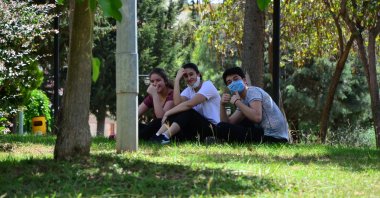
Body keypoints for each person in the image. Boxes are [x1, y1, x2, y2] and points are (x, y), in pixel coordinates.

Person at [217, 67, 289, 143]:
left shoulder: (252, 91)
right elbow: (228, 123)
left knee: (222, 127)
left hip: (274, 137)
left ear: (244, 80)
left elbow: (257, 117)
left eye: (236, 79)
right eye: (229, 82)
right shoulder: (243, 100)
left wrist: (237, 102)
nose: (233, 83)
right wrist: (222, 105)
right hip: (267, 136)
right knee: (222, 126)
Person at [154, 63, 221, 144]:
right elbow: (177, 103)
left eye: (191, 74)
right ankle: (157, 135)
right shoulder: (189, 89)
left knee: (187, 110)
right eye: (186, 76)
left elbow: (189, 104)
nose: (189, 78)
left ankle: (165, 136)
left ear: (198, 74)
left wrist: (167, 113)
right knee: (179, 110)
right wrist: (177, 80)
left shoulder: (208, 85)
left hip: (213, 128)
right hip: (197, 126)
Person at [138, 68, 174, 140]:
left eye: (158, 80)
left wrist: (154, 94)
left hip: (167, 127)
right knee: (136, 126)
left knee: (156, 123)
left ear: (165, 81)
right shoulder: (151, 96)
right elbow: (136, 114)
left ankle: (132, 137)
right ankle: (123, 134)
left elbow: (161, 118)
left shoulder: (172, 94)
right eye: (152, 81)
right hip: (155, 127)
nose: (155, 84)